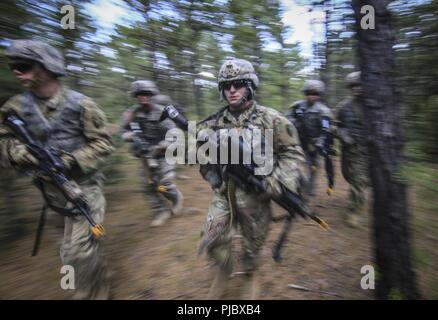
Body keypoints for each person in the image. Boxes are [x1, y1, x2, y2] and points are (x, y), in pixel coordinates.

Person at [0, 40, 114, 299]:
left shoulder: (81, 104)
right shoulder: (14, 109)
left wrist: (70, 160)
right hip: (50, 192)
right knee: (66, 251)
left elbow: (104, 143)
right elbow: (3, 144)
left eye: (24, 65)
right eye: (13, 66)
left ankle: (98, 289)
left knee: (80, 249)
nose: (17, 71)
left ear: (46, 67)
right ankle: (89, 280)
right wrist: (24, 154)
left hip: (84, 187)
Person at [197, 59, 306, 299]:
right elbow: (201, 155)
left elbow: (294, 155)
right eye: (226, 86)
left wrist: (275, 181)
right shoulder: (213, 122)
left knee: (252, 245)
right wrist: (210, 167)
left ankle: (250, 274)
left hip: (257, 196)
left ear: (250, 86)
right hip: (224, 193)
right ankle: (224, 268)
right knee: (212, 238)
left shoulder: (273, 120)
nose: (232, 90)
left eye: (238, 84)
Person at [121, 80, 183, 227]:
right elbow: (123, 130)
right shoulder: (132, 114)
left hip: (164, 153)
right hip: (145, 155)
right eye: (139, 94)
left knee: (164, 183)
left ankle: (176, 198)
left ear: (152, 95)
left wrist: (162, 145)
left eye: (146, 94)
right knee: (147, 186)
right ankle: (161, 211)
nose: (142, 97)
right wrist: (130, 136)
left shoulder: (163, 112)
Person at [286, 80, 334, 196]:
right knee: (297, 166)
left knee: (313, 168)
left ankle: (309, 189)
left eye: (314, 94)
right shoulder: (297, 106)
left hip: (314, 144)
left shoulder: (323, 111)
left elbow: (326, 128)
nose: (311, 96)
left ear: (319, 95)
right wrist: (295, 123)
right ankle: (298, 188)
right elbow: (286, 119)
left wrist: (321, 141)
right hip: (298, 142)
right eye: (309, 93)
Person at [335, 71, 369, 228]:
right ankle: (358, 195)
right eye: (354, 86)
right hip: (350, 151)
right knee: (350, 177)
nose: (357, 88)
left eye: (360, 85)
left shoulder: (373, 105)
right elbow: (330, 124)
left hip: (368, 151)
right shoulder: (343, 106)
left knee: (359, 181)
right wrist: (342, 134)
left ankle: (353, 211)